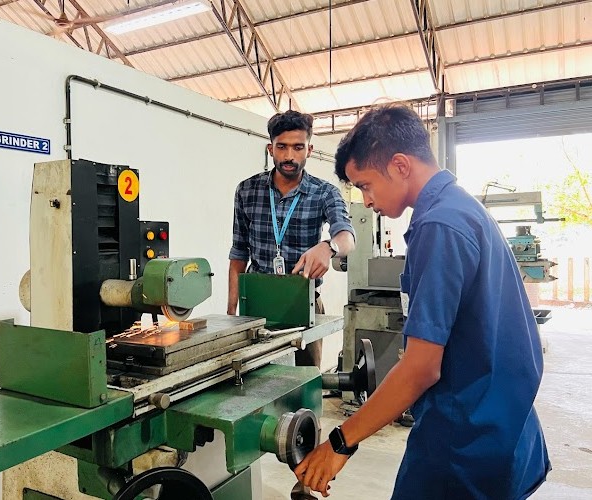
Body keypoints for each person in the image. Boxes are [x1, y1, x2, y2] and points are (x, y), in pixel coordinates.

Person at [294, 104, 550, 498]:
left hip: (464, 438)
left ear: (399, 165)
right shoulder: (460, 208)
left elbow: (421, 370)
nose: (367, 199)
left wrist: (341, 443)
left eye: (365, 184)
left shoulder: (439, 226)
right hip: (503, 424)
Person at [228, 110, 356, 368]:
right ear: (270, 149)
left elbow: (347, 236)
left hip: (304, 304)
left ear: (309, 149)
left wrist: (328, 247)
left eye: (297, 147)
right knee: (254, 384)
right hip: (255, 305)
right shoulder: (247, 191)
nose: (289, 156)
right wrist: (231, 313)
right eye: (281, 147)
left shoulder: (324, 193)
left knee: (305, 385)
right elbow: (239, 254)